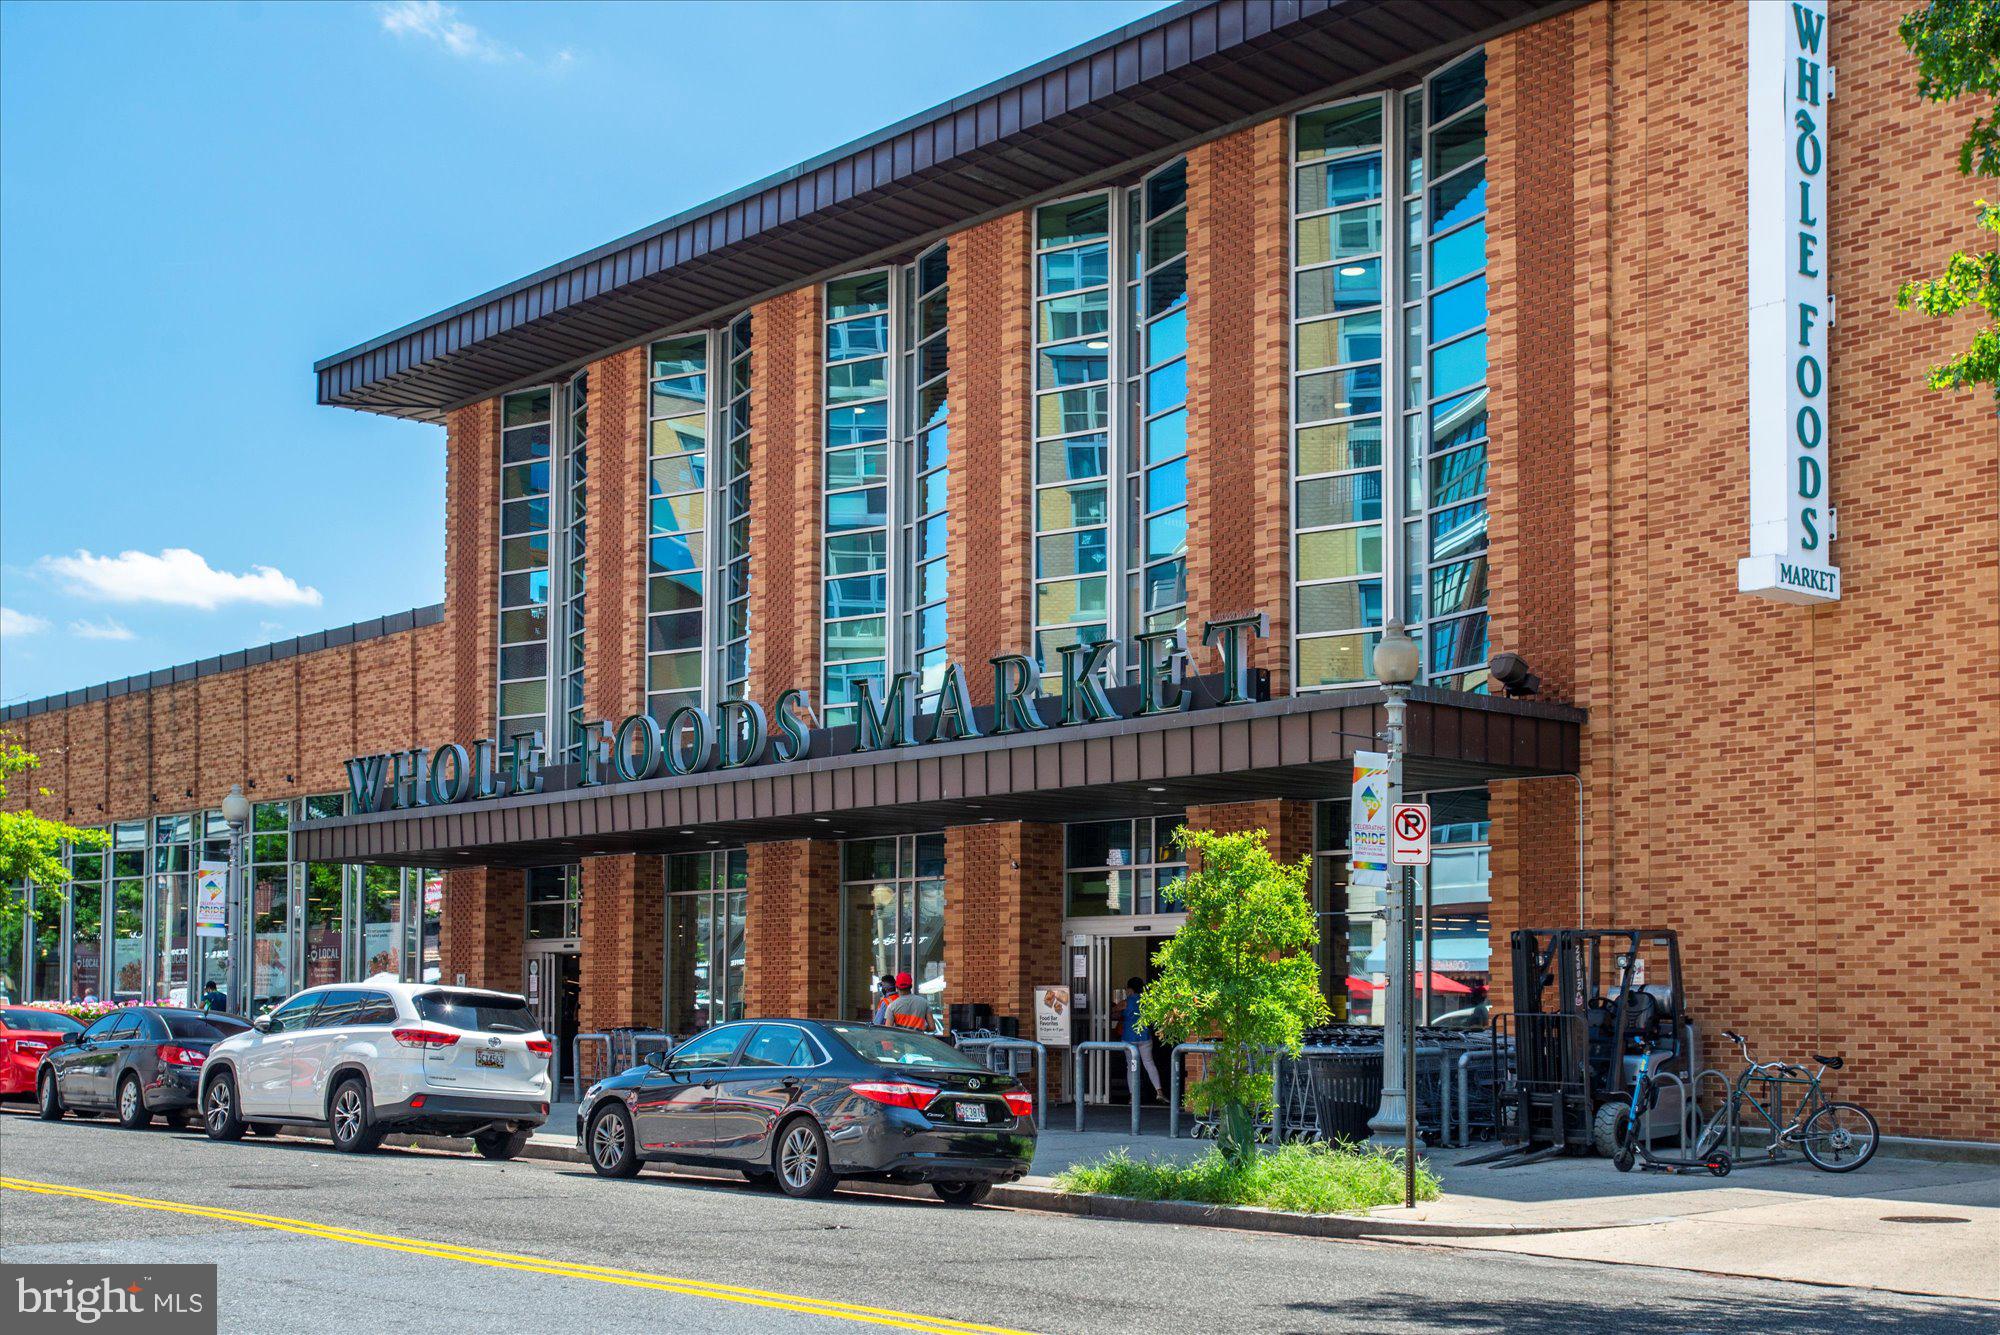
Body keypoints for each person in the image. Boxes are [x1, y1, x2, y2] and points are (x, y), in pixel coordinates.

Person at [1122, 977, 1163, 1102]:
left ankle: (1133, 1096)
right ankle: (1159, 1091)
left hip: (1129, 1038)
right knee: (1149, 1064)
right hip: (1145, 1037)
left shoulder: (1126, 1002)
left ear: (1130, 989)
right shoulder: (1147, 1002)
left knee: (1132, 1067)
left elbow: (1111, 1012)